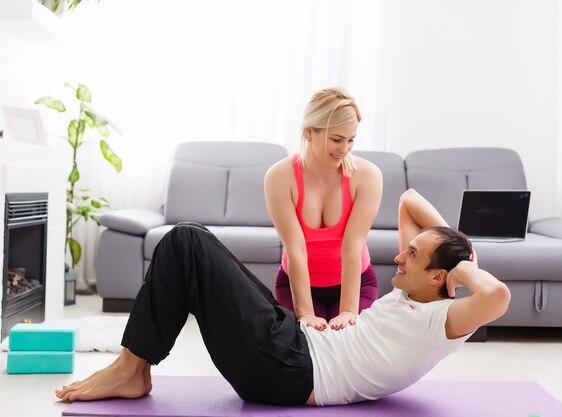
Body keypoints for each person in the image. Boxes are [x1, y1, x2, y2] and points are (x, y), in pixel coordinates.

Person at [55, 189, 511, 406]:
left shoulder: (442, 322)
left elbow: (498, 295)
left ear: (439, 277)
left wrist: (463, 265)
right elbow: (410, 201)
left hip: (289, 369)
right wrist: (461, 247)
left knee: (187, 240)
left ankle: (132, 369)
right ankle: (133, 366)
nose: (398, 257)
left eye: (412, 254)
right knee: (192, 244)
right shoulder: (418, 290)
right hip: (291, 345)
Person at [264, 87, 383, 332]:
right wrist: (305, 314)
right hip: (297, 285)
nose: (345, 149)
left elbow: (352, 247)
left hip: (355, 283)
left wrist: (349, 312)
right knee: (308, 344)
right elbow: (295, 248)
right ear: (309, 132)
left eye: (351, 140)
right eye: (336, 139)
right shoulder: (279, 177)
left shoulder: (368, 176)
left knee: (345, 342)